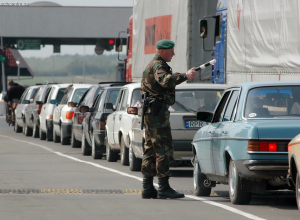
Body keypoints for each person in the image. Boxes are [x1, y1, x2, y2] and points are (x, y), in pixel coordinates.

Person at [140, 39, 197, 199]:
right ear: (162, 51)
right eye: (171, 51)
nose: (173, 53)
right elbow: (165, 80)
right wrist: (185, 76)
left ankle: (148, 187)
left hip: (152, 112)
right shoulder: (158, 65)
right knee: (164, 149)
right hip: (157, 114)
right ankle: (163, 188)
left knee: (150, 150)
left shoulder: (154, 64)